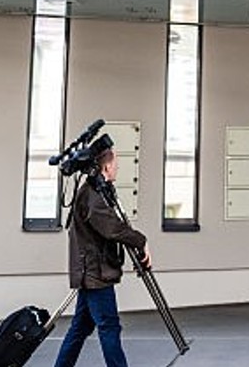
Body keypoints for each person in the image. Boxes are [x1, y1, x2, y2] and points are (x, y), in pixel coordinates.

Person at [54, 145, 150, 367]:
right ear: (106, 167)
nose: (118, 168)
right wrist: (141, 241)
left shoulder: (93, 192)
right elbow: (113, 228)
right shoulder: (92, 195)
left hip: (91, 271)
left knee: (80, 328)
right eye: (115, 164)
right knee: (109, 327)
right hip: (95, 274)